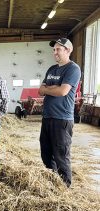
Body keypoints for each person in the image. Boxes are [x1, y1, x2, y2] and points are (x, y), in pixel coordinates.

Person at [39, 38, 81, 187]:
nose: (55, 52)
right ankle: (52, 184)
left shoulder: (73, 69)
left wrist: (49, 89)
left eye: (58, 49)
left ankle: (65, 188)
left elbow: (63, 91)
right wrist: (53, 88)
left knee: (61, 156)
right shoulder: (51, 69)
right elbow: (40, 90)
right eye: (54, 50)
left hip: (62, 119)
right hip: (47, 117)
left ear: (68, 50)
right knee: (46, 153)